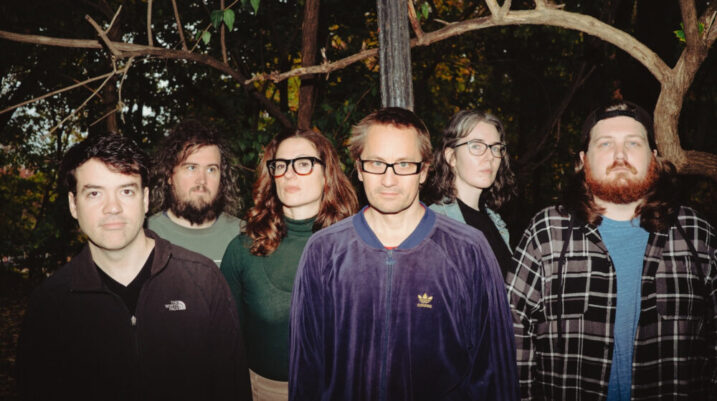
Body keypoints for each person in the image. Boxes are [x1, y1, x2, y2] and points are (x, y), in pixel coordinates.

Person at [289, 107, 519, 400]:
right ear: (359, 168)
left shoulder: (469, 250)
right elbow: (306, 372)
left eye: (404, 164)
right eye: (376, 163)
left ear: (423, 171)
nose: (389, 179)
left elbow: (495, 373)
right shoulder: (323, 251)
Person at [506, 100, 717, 400]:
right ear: (583, 160)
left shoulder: (695, 232)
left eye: (633, 143)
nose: (620, 155)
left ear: (654, 156)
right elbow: (512, 330)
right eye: (605, 143)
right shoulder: (548, 232)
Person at [16, 134, 252, 401]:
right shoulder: (50, 304)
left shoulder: (203, 280)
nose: (112, 208)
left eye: (126, 191)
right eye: (94, 193)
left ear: (145, 199)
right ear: (73, 204)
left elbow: (232, 387)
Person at [220, 129, 358, 400]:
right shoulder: (243, 250)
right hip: (265, 391)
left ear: (327, 173)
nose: (289, 174)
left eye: (303, 163)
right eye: (281, 165)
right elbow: (225, 343)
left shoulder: (356, 246)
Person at [428, 109, 516, 277]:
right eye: (476, 146)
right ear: (451, 157)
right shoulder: (435, 225)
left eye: (496, 148)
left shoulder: (497, 223)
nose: (490, 157)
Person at [148, 119, 243, 266]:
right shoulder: (144, 236)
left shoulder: (245, 236)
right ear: (169, 175)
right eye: (191, 168)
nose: (202, 180)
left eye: (211, 169)